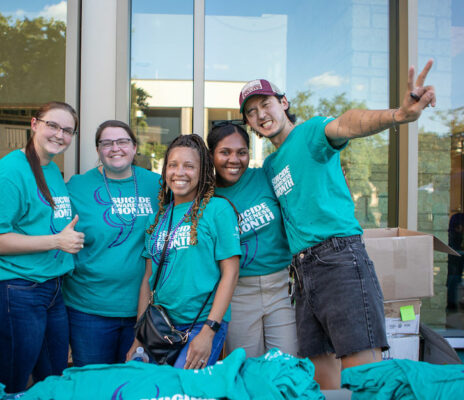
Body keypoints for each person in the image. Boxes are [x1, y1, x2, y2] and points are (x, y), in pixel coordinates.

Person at [239, 60, 436, 389]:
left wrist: (397, 116)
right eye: (251, 112)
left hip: (338, 258)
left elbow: (347, 124)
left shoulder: (310, 133)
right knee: (321, 371)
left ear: (283, 103)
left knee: (362, 370)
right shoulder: (271, 165)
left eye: (266, 104)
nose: (260, 115)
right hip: (302, 272)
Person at [0, 101, 84, 393]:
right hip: (15, 291)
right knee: (11, 386)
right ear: (34, 124)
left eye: (68, 130)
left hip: (50, 289)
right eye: (53, 125)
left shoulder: (51, 170)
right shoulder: (9, 172)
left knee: (51, 383)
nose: (60, 135)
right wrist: (57, 241)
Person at [126, 134, 241, 369]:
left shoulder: (217, 210)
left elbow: (231, 274)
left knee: (182, 391)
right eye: (173, 165)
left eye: (189, 166)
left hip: (201, 324)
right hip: (160, 327)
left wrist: (209, 332)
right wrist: (139, 337)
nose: (179, 172)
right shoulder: (158, 218)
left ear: (202, 172)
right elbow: (147, 281)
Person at [63, 120, 160, 366]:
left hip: (143, 310)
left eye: (123, 141)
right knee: (94, 384)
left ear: (135, 147)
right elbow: (48, 222)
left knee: (133, 384)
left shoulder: (158, 185)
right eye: (106, 143)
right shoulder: (77, 186)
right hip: (89, 309)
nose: (115, 148)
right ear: (98, 150)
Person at [207, 122, 297, 358]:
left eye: (242, 152)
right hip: (237, 294)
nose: (234, 159)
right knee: (245, 370)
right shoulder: (206, 196)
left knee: (285, 365)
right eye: (225, 152)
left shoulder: (265, 175)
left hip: (280, 288)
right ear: (211, 155)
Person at [446, 212, 464, 311]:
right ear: (458, 225)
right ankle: (451, 304)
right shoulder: (452, 235)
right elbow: (453, 250)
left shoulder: (457, 235)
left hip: (456, 264)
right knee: (452, 283)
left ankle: (452, 304)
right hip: (453, 264)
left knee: (454, 282)